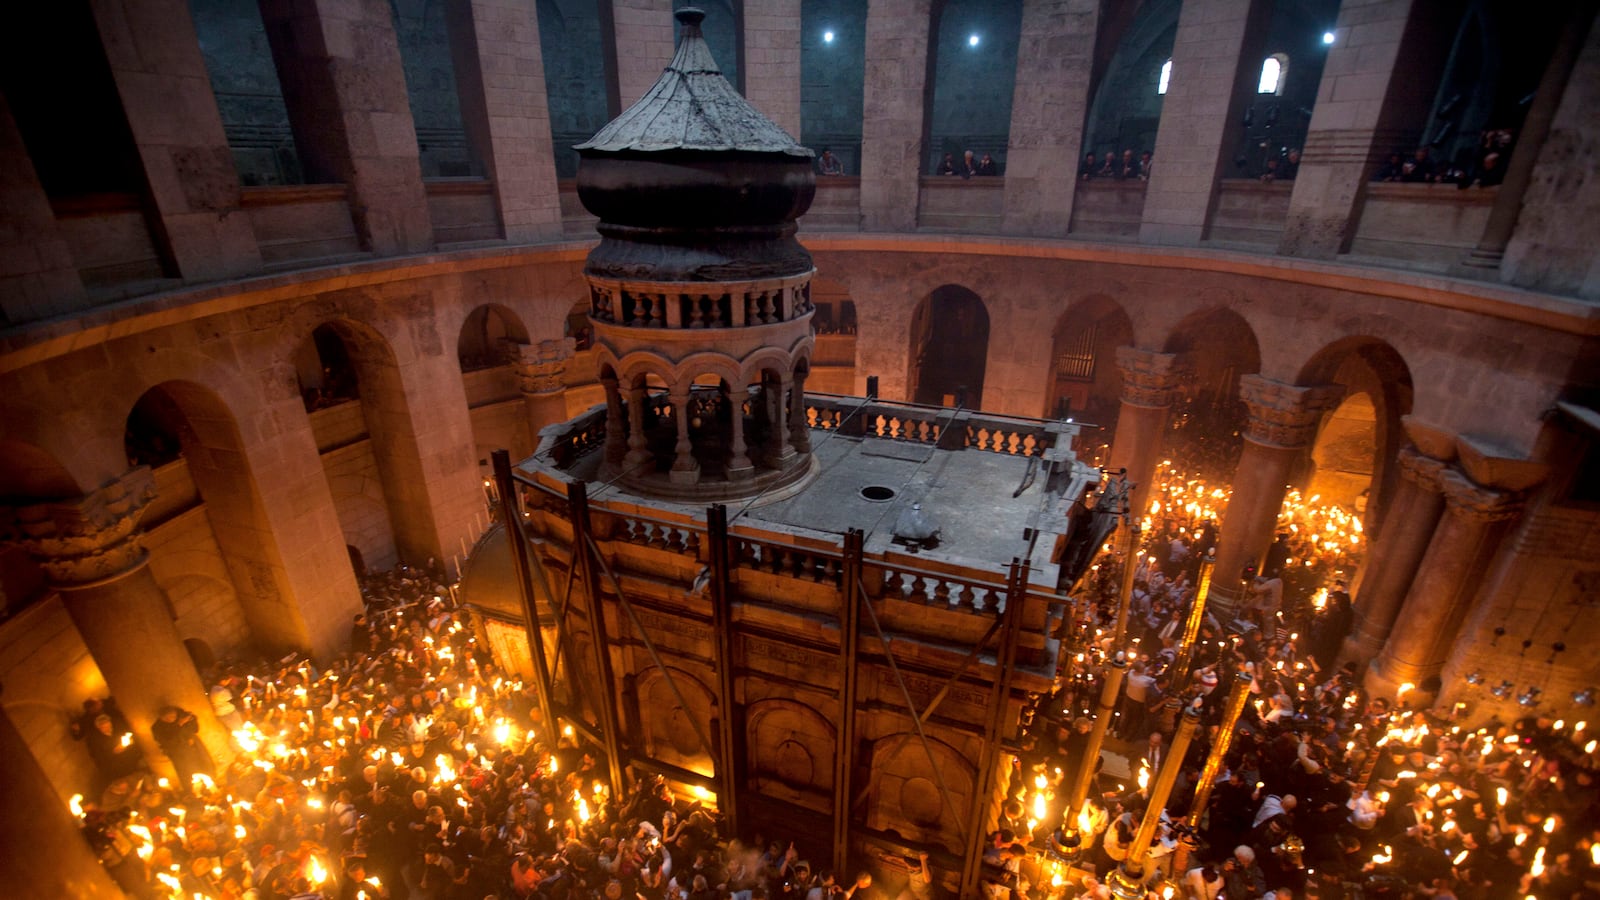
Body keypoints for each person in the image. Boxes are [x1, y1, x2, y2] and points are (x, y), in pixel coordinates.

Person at [151, 705, 211, 788]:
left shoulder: (179, 716)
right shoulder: (157, 728)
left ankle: (209, 783)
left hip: (192, 747)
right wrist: (180, 724)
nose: (174, 718)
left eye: (175, 716)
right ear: (163, 718)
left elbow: (194, 729)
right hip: (179, 754)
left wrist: (191, 719)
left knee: (203, 765)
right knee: (188, 772)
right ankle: (194, 790)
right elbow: (169, 739)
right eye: (171, 717)